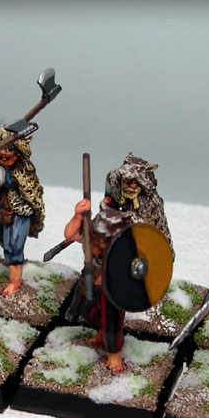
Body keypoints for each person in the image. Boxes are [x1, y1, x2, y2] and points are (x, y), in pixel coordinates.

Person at [63, 201, 134, 373]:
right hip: (90, 282)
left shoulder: (122, 250)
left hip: (112, 291)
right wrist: (78, 216)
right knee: (87, 312)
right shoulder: (92, 237)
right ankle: (100, 335)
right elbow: (70, 234)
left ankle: (114, 358)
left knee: (111, 324)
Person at [0, 127, 45, 296]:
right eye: (1, 148)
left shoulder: (22, 170)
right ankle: (12, 260)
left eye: (9, 149)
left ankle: (15, 281)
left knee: (13, 246)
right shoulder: (1, 161)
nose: (4, 153)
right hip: (4, 208)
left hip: (18, 212)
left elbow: (2, 179)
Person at [101, 153, 173, 257]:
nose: (129, 186)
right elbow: (111, 180)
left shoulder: (149, 203)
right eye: (125, 181)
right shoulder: (117, 186)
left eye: (133, 182)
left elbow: (140, 227)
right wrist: (109, 203)